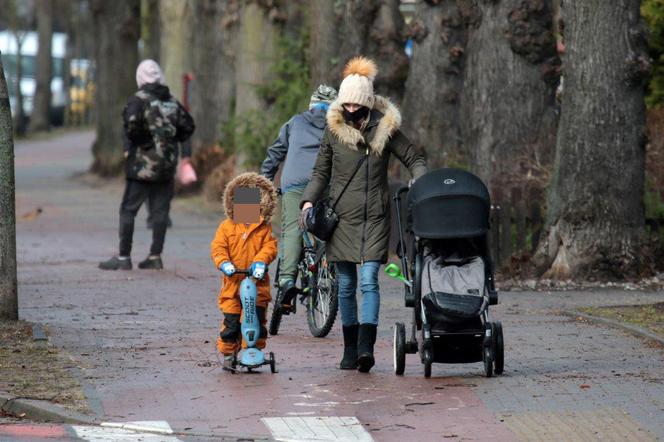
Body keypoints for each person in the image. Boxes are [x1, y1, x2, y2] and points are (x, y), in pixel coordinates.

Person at [300, 56, 427, 373]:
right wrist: (306, 202)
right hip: (340, 218)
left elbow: (414, 157)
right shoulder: (333, 131)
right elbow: (320, 173)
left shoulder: (385, 129)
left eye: (358, 105)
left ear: (368, 103)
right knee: (345, 284)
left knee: (369, 280)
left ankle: (366, 348)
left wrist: (421, 183)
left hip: (375, 218)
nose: (352, 110)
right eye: (347, 105)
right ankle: (349, 347)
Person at [99, 59, 195, 271]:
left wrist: (142, 145)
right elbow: (188, 126)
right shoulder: (172, 101)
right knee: (160, 211)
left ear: (140, 77)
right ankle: (155, 256)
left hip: (142, 167)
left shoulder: (138, 100)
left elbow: (131, 126)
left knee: (128, 210)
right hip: (167, 166)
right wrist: (170, 142)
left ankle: (124, 257)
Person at [260, 84, 338, 311]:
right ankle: (325, 270)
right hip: (325, 181)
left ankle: (286, 282)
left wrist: (265, 181)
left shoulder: (295, 122)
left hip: (294, 181)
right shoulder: (339, 127)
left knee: (293, 228)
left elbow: (275, 153)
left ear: (312, 104)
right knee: (326, 226)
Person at [210, 172, 278, 370]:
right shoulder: (227, 227)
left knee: (256, 319)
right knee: (231, 322)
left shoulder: (263, 228)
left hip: (257, 285)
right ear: (234, 205)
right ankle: (229, 353)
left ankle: (254, 349)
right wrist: (224, 263)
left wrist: (260, 262)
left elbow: (270, 247)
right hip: (232, 285)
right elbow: (218, 248)